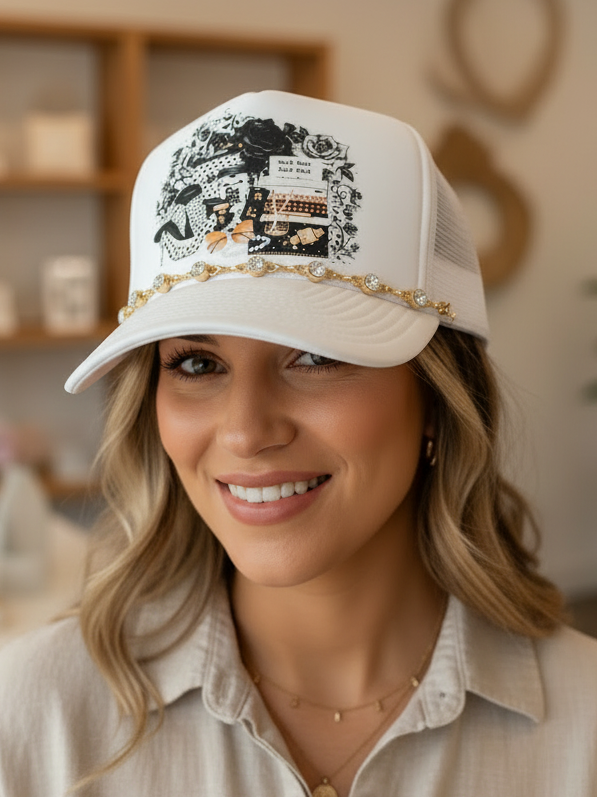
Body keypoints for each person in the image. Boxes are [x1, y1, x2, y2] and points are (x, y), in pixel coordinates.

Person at [0, 90, 596, 797]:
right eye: (197, 363)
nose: (247, 431)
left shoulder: (581, 733)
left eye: (312, 356)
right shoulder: (36, 717)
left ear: (438, 395)